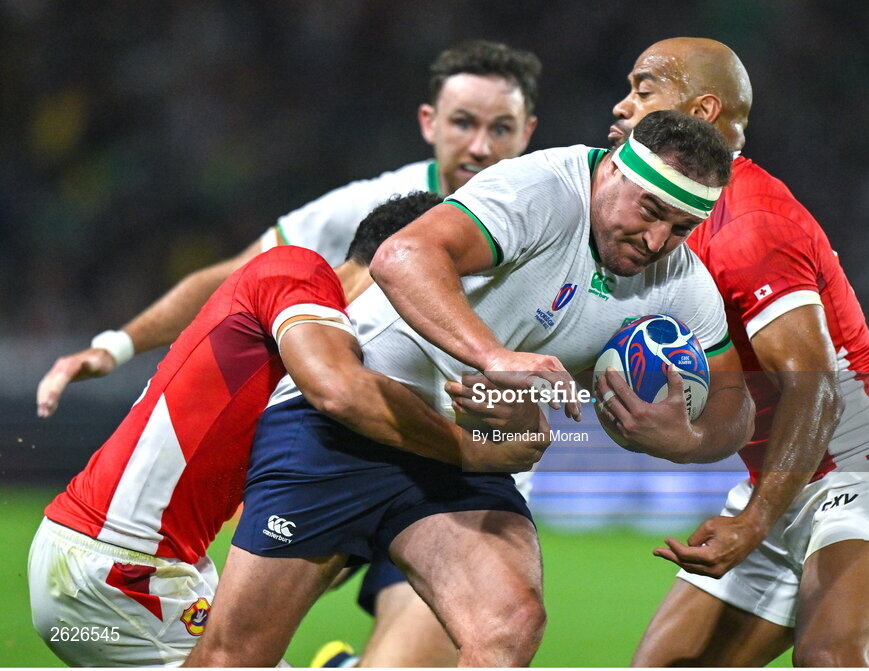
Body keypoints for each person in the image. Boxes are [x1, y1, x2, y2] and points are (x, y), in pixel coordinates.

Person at [34, 40, 542, 667]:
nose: (481, 146)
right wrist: (117, 345)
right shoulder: (306, 271)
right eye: (465, 122)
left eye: (501, 128)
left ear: (529, 132)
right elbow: (338, 391)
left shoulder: (544, 226)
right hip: (119, 571)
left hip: (141, 563)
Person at [183, 111, 754, 667]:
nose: (657, 241)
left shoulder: (678, 277)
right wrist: (494, 357)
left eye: (681, 228)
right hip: (350, 423)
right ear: (613, 169)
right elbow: (401, 256)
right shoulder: (541, 190)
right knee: (236, 657)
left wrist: (688, 439)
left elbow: (736, 406)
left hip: (460, 456)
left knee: (509, 624)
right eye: (650, 210)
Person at [603, 39, 869, 667]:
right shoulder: (662, 221)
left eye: (643, 89)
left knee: (832, 657)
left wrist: (757, 521)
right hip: (777, 482)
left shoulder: (749, 222)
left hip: (867, 469)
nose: (623, 106)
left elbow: (814, 387)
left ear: (702, 111)